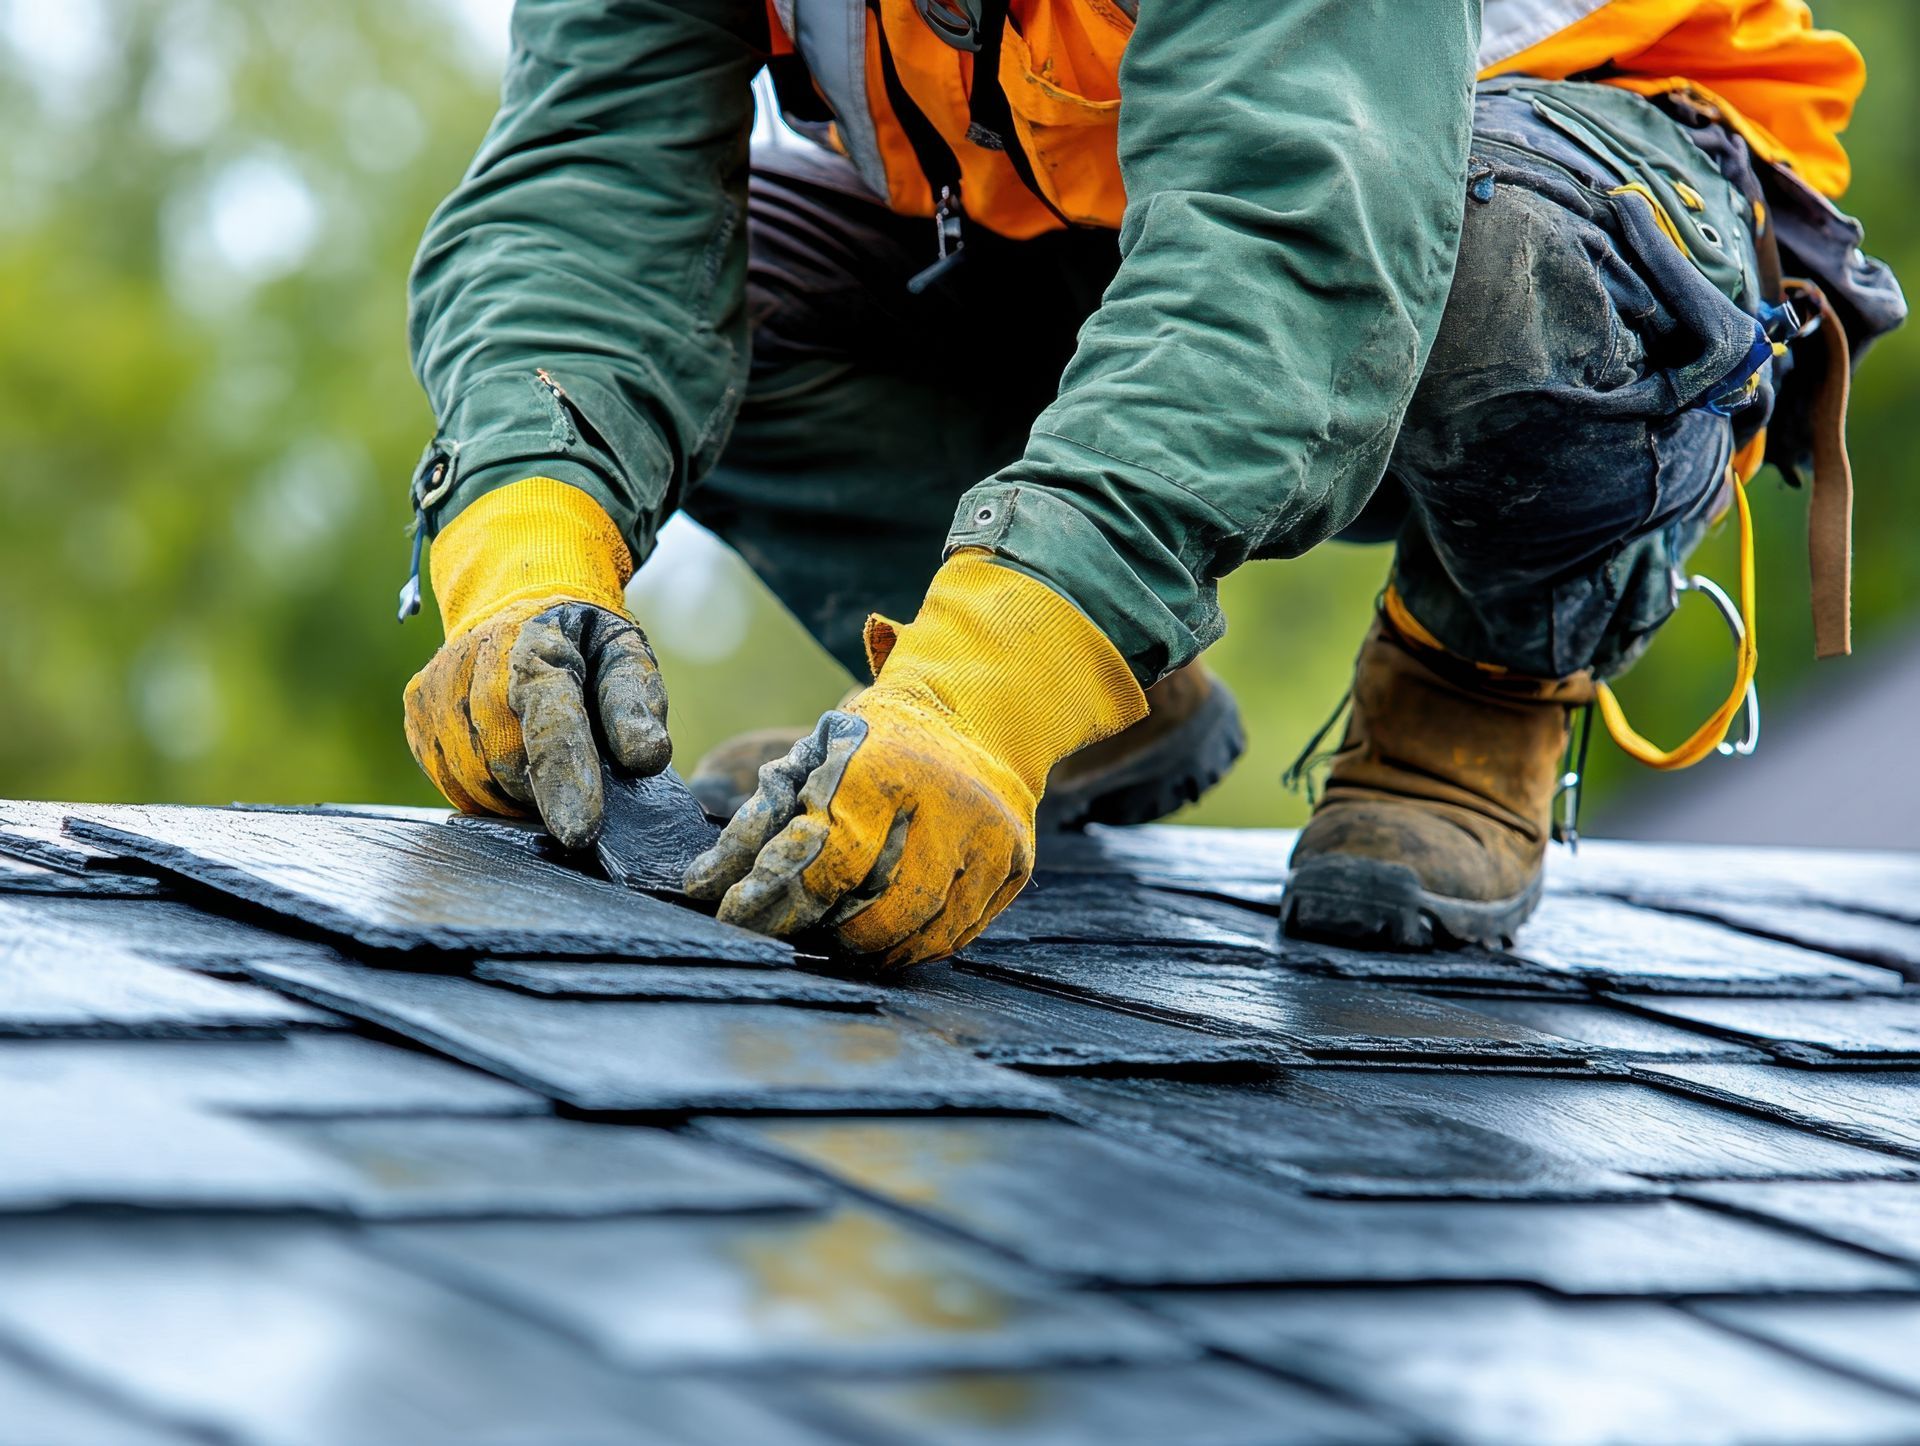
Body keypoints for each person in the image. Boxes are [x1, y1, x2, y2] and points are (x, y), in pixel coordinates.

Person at [400, 0, 1901, 964]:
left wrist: (991, 686)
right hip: (1142, 208)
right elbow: (593, 200)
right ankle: (1113, 685)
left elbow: (1293, 240)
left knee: (1505, 248)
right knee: (744, 295)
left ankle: (1480, 688)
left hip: (1558, 193)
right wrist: (522, 560)